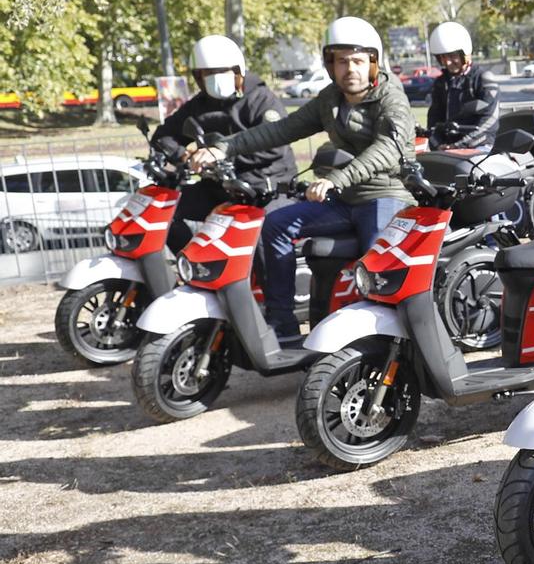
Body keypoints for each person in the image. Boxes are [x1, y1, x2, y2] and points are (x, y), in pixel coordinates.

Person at [189, 17, 415, 339]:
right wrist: (224, 148)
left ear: (373, 63)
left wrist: (338, 178)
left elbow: (387, 149)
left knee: (376, 272)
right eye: (341, 61)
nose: (350, 69)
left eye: (358, 61)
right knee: (276, 225)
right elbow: (283, 129)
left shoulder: (392, 98)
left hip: (386, 194)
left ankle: (385, 340)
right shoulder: (330, 99)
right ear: (330, 65)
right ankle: (283, 323)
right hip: (346, 199)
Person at [152, 35, 289, 247]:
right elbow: (163, 136)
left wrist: (221, 155)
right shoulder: (199, 105)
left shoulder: (261, 99)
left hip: (263, 188)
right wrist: (183, 155)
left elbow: (274, 145)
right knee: (162, 210)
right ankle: (190, 264)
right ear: (198, 77)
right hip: (218, 188)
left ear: (237, 71)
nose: (215, 77)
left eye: (221, 71)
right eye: (207, 73)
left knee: (263, 235)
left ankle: (267, 281)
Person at [423, 21, 500, 152]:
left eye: (452, 56)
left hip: (480, 148)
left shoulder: (484, 79)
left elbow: (489, 122)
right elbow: (433, 121)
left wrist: (459, 146)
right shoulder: (441, 83)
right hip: (448, 151)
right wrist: (438, 145)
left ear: (465, 54)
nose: (447, 62)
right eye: (443, 57)